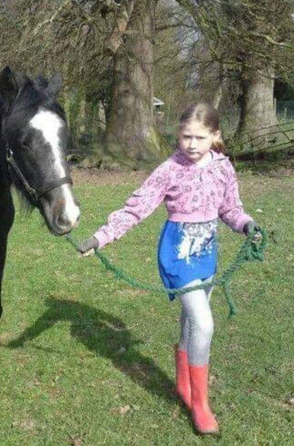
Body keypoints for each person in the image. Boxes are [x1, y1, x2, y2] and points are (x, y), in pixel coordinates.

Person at [77, 103, 260, 435]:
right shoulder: (169, 169)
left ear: (215, 136)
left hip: (207, 252)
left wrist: (247, 224)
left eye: (199, 138)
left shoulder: (223, 168)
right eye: (186, 136)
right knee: (204, 324)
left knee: (191, 322)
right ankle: (201, 406)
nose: (191, 144)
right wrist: (101, 237)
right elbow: (137, 208)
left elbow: (231, 208)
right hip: (177, 254)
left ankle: (182, 382)